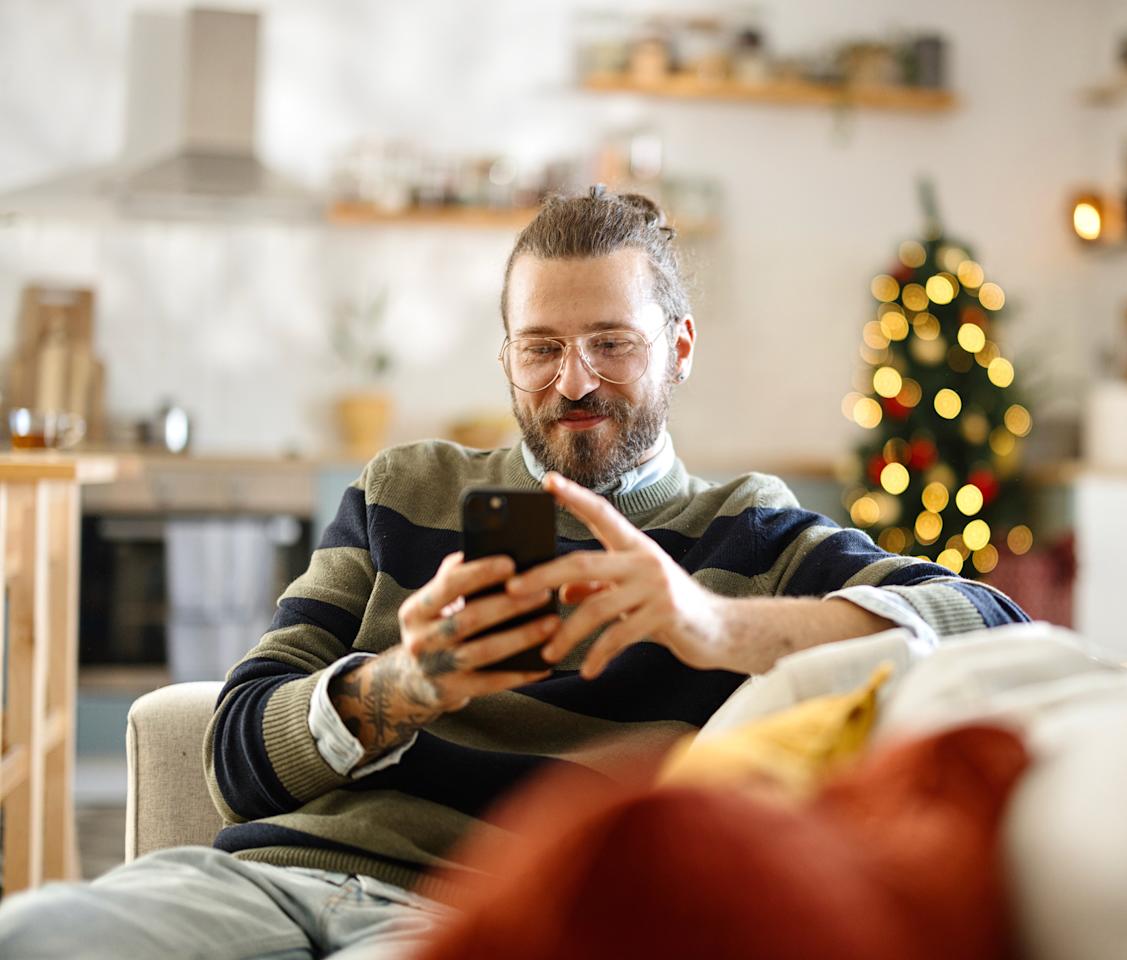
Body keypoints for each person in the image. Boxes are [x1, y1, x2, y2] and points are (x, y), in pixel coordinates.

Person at [0, 187, 1027, 958]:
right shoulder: (407, 488)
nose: (573, 383)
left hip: (472, 917)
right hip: (269, 881)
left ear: (678, 348)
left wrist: (711, 627)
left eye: (610, 345)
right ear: (505, 361)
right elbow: (235, 751)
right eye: (541, 348)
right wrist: (395, 689)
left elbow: (988, 619)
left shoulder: (747, 530)